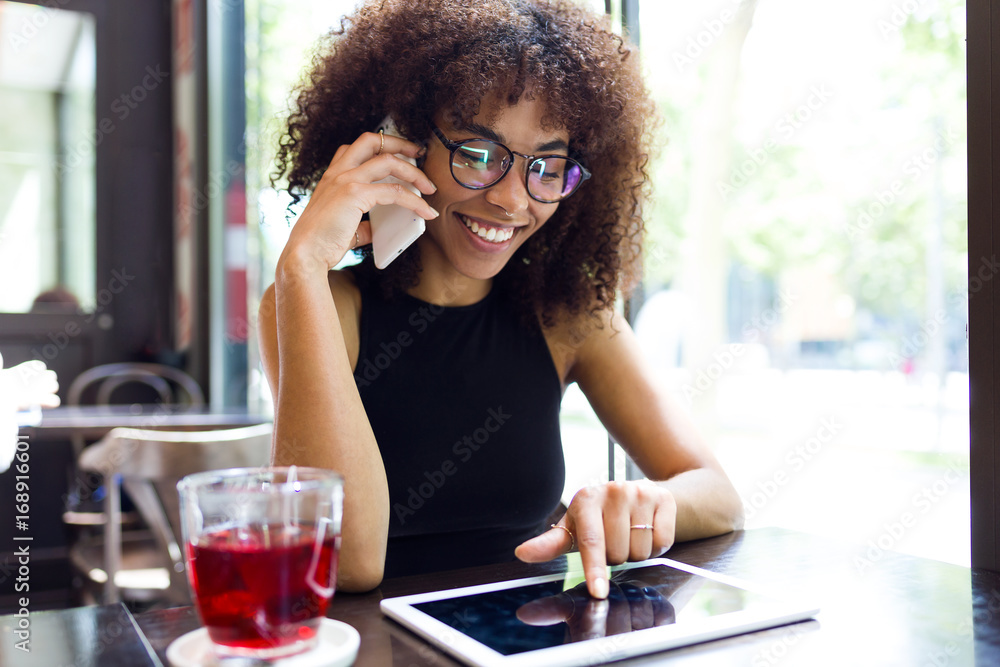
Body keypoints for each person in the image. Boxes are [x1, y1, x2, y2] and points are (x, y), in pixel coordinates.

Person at [258, 0, 743, 599]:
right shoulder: (319, 302)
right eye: (479, 153)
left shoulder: (568, 317)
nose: (513, 201)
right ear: (399, 142)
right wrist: (302, 263)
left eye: (547, 165)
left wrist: (649, 501)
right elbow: (347, 561)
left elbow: (718, 495)